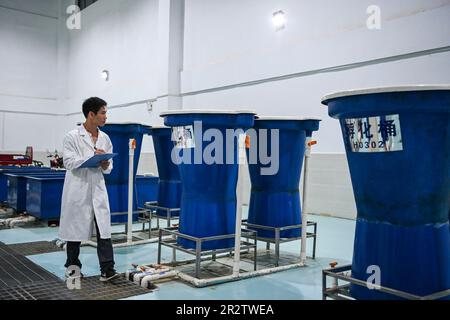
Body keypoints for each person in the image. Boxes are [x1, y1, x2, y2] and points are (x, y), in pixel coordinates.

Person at [58, 97, 119, 282]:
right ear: (91, 114)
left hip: (98, 189)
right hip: (78, 189)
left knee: (103, 228)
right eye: (103, 113)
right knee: (74, 232)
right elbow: (68, 162)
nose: (105, 117)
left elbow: (109, 168)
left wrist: (105, 162)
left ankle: (107, 270)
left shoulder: (105, 138)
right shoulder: (72, 137)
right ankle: (72, 269)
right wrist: (92, 157)